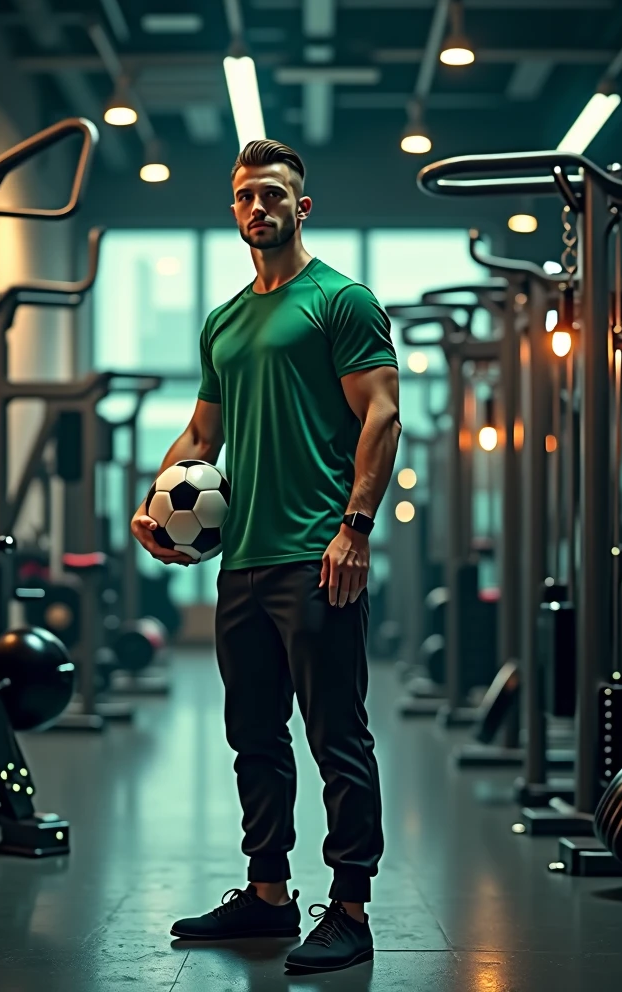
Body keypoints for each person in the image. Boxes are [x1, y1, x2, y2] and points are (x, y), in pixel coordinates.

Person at [131, 139, 401, 975]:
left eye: (274, 195)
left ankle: (350, 906)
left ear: (301, 207)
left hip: (317, 555)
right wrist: (155, 500)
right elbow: (203, 433)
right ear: (236, 210)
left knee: (337, 736)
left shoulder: (341, 301)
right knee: (253, 734)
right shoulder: (225, 320)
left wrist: (355, 528)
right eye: (247, 196)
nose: (259, 208)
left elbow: (383, 416)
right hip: (242, 561)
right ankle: (268, 894)